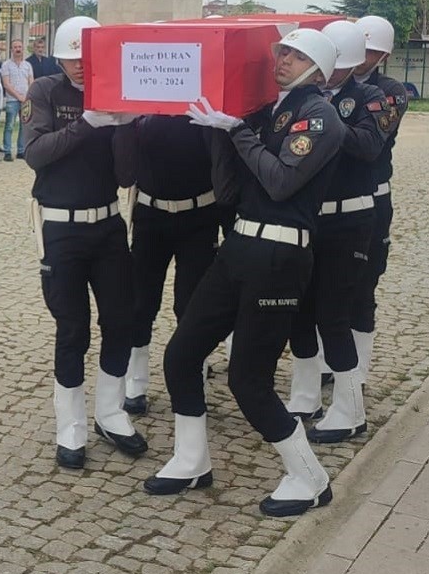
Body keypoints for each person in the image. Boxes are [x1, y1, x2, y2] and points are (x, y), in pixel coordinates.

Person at [143, 28, 345, 519]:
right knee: (181, 354)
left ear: (318, 69)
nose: (284, 60)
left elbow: (278, 182)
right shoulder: (273, 111)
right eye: (283, 53)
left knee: (247, 379)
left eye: (297, 56)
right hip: (239, 246)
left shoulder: (320, 118)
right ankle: (192, 458)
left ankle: (309, 476)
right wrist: (218, 133)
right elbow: (231, 192)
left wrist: (236, 130)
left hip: (279, 256)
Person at [23, 16, 147, 468]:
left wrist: (126, 126)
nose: (79, 65)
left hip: (108, 223)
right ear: (59, 58)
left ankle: (111, 412)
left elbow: (127, 175)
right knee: (71, 327)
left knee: (121, 320)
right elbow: (35, 154)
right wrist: (88, 124)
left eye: (86, 56)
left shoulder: (114, 91)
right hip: (60, 225)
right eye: (71, 57)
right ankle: (70, 425)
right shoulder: (45, 92)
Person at [285, 20, 393, 444]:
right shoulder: (300, 97)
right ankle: (305, 393)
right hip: (309, 217)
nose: (326, 75)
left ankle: (349, 409)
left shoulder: (370, 96)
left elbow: (370, 146)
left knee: (335, 312)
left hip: (350, 218)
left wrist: (322, 118)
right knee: (301, 309)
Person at [119, 110, 221, 416]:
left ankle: (192, 376)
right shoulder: (144, 108)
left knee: (192, 304)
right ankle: (136, 381)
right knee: (140, 301)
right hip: (152, 214)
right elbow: (126, 169)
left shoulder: (204, 107)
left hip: (200, 215)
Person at [347, 15, 410, 403]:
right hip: (333, 196)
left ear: (383, 54)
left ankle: (359, 369)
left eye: (369, 52)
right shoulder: (332, 83)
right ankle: (325, 363)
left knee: (363, 283)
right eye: (358, 48)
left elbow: (371, 140)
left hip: (373, 195)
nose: (360, 58)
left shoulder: (392, 91)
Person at [0, 40, 32, 162]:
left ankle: (21, 150)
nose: (18, 49)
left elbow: (31, 82)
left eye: (20, 46)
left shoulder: (27, 65)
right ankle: (7, 151)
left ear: (23, 49)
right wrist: (19, 96)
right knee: (9, 126)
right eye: (15, 47)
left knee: (24, 126)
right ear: (11, 49)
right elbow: (6, 84)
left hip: (25, 100)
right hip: (12, 100)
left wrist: (28, 97)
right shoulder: (6, 65)